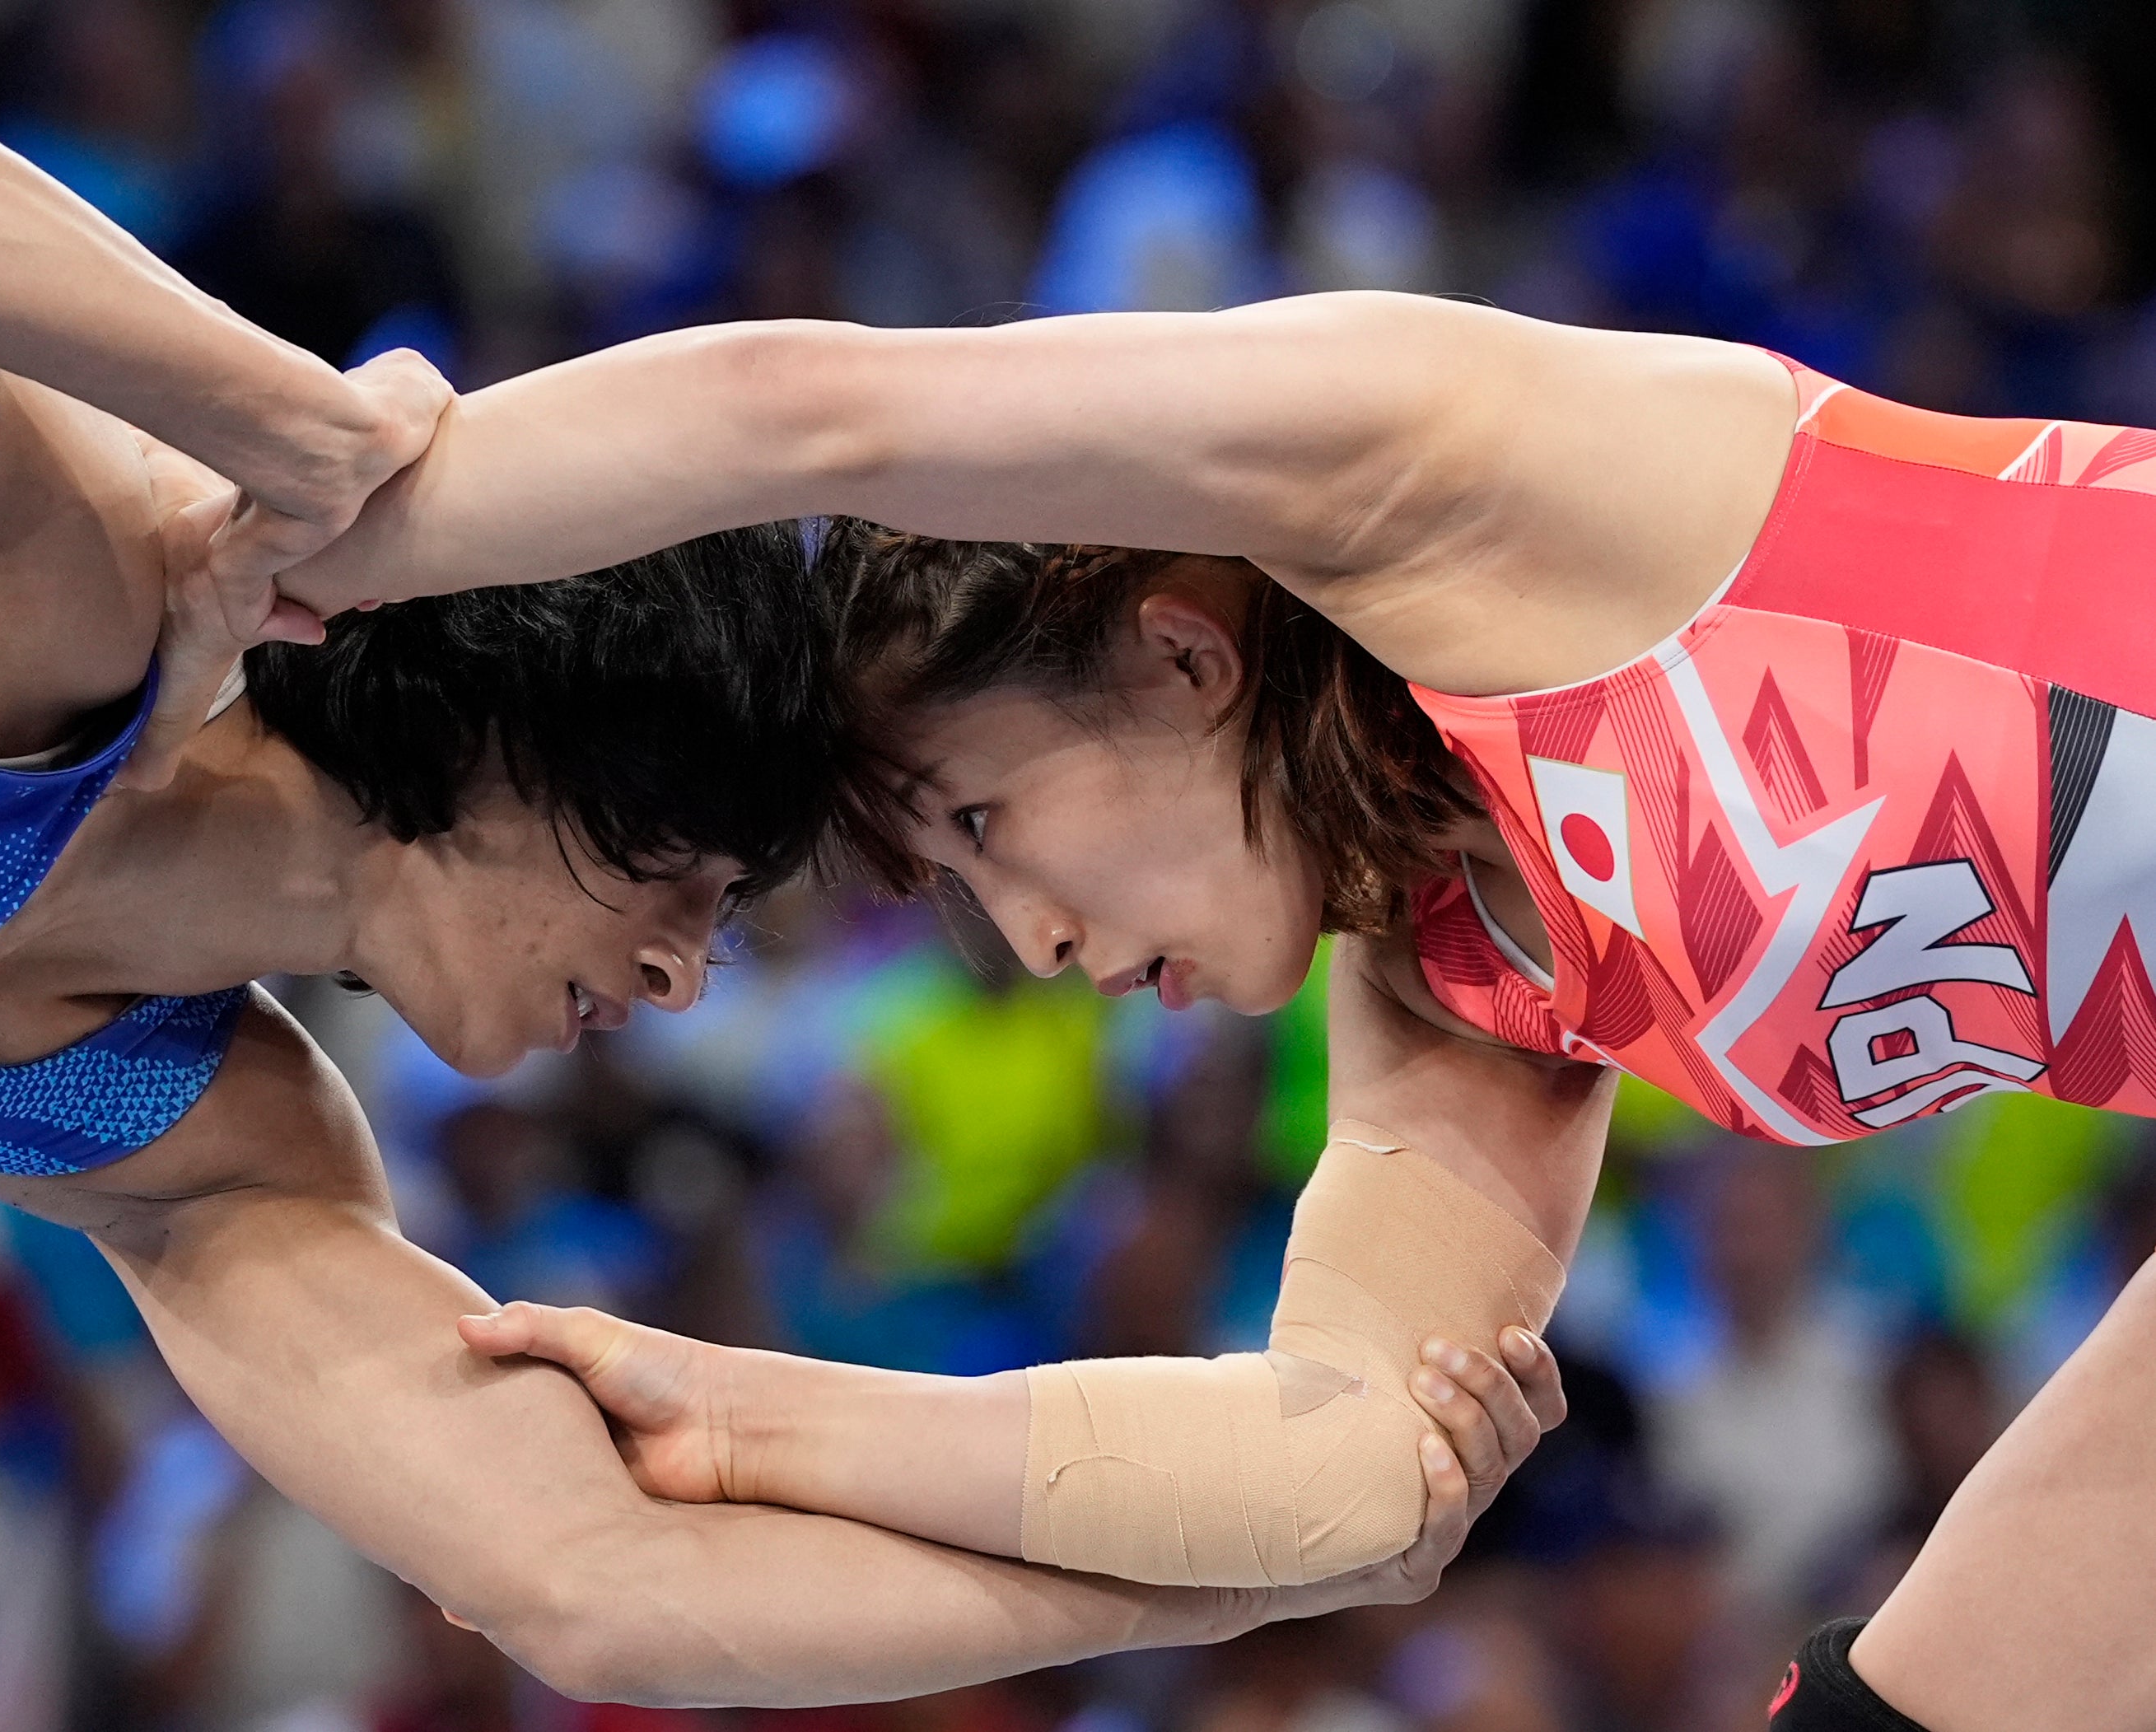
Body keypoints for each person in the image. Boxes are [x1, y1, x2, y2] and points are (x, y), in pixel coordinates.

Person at [0, 59, 1563, 1714]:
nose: (686, 978)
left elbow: (585, 1579)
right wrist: (305, 429)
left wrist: (1217, 1588)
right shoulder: (82, 605)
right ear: (525, 750)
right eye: (684, 879)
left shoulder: (218, 1135)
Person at [275, 294, 2156, 1730]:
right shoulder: (1457, 980)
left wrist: (293, 538)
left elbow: (804, 410)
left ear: (1183, 651)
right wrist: (745, 1407)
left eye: (990, 824)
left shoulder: (1461, 482)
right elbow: (1342, 1477)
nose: (1035, 944)